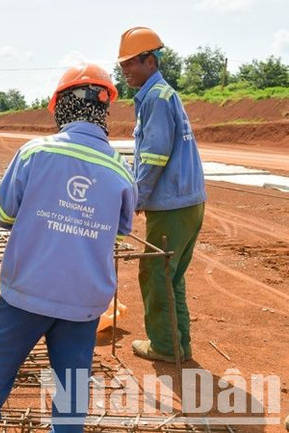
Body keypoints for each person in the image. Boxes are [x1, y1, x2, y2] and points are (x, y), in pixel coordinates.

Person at [0, 64, 137, 433]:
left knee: (2, 358)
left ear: (60, 106)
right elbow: (118, 236)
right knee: (72, 381)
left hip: (27, 288)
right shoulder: (123, 172)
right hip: (84, 300)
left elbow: (6, 214)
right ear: (103, 110)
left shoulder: (34, 153)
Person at [117, 27, 207, 363]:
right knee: (172, 275)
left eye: (130, 63)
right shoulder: (163, 95)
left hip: (172, 205)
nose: (124, 70)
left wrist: (137, 197)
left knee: (156, 273)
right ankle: (178, 344)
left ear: (150, 61)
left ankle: (166, 347)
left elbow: (155, 155)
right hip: (189, 203)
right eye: (122, 64)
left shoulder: (155, 98)